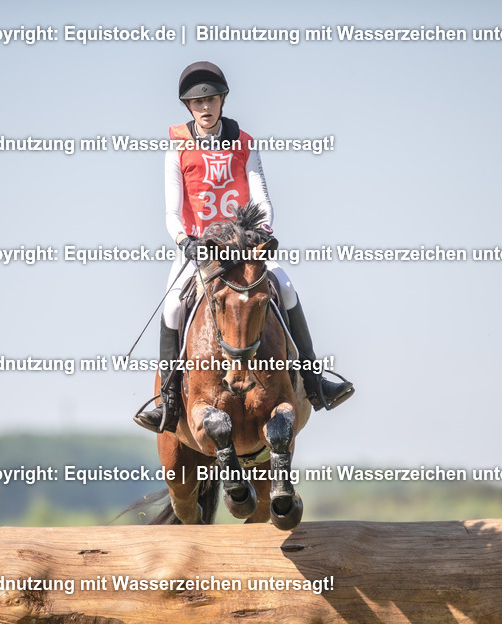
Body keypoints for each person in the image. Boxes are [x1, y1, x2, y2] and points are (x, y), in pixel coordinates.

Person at [135, 61, 354, 433]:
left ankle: (314, 381)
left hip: (244, 245)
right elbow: (171, 210)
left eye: (211, 100)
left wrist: (261, 231)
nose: (205, 108)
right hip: (202, 249)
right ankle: (168, 401)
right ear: (189, 107)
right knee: (172, 305)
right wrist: (185, 241)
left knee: (286, 286)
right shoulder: (177, 146)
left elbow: (262, 199)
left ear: (222, 100)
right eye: (197, 103)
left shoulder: (244, 143)